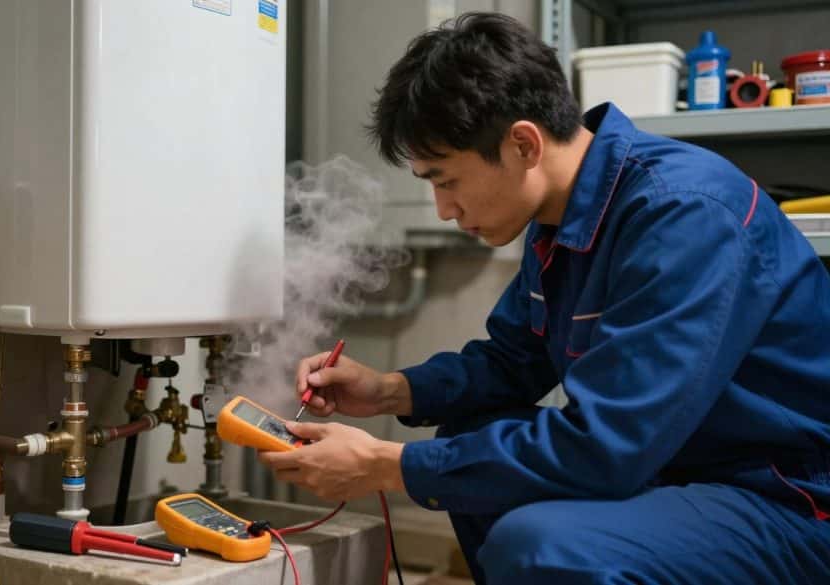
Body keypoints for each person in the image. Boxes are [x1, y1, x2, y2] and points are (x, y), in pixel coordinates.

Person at [258, 11, 830, 585]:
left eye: (445, 180)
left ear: (523, 144)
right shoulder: (563, 219)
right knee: (465, 431)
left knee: (540, 548)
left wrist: (385, 466)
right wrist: (389, 391)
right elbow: (512, 362)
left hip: (785, 496)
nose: (444, 209)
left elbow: (608, 446)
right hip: (680, 468)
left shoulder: (683, 215)